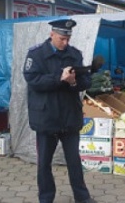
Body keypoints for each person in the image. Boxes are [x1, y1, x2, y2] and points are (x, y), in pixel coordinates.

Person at [23, 19, 96, 203]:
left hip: (69, 116)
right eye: (62, 38)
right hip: (46, 117)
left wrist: (73, 82)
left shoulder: (74, 54)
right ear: (52, 35)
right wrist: (59, 78)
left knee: (74, 161)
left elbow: (86, 82)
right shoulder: (36, 54)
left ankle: (82, 197)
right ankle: (46, 199)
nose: (65, 42)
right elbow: (34, 81)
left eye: (68, 38)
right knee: (44, 164)